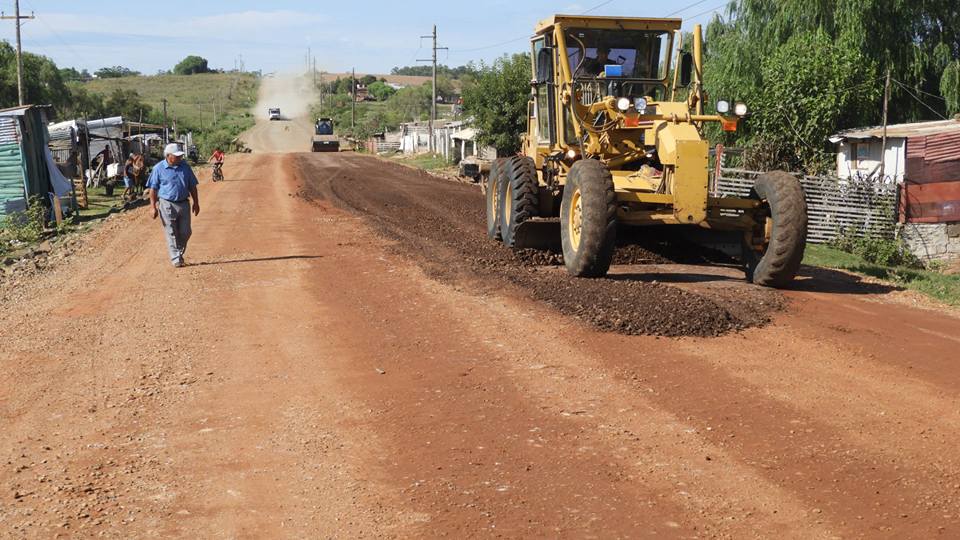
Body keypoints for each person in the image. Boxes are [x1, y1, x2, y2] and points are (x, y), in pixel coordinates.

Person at [147, 143, 200, 268]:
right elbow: (153, 189)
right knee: (171, 232)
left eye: (180, 156)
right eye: (176, 156)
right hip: (166, 204)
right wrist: (152, 207)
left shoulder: (185, 167)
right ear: (168, 156)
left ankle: (178, 252)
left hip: (184, 203)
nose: (179, 158)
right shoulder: (158, 168)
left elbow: (192, 186)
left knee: (186, 232)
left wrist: (196, 203)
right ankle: (176, 258)